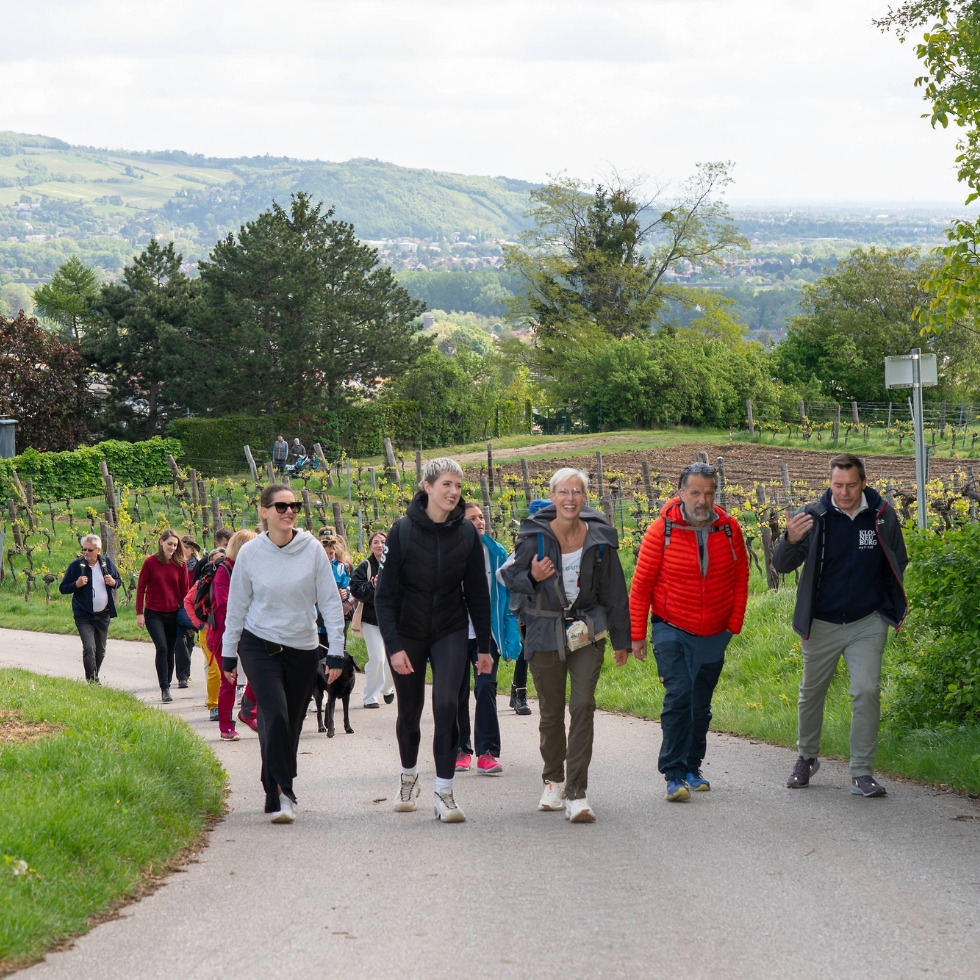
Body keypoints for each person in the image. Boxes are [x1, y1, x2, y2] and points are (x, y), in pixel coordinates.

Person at [772, 453, 908, 798]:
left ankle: (862, 773)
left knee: (865, 691)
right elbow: (782, 566)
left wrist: (886, 605)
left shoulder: (882, 515)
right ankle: (806, 757)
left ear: (863, 482)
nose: (844, 492)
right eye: (837, 485)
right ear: (829, 483)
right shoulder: (813, 516)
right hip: (821, 622)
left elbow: (897, 558)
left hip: (867, 622)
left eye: (850, 485)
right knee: (811, 693)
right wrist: (788, 539)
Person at [502, 468, 631, 823]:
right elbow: (505, 575)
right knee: (551, 711)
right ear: (553, 496)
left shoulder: (600, 537)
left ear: (584, 497)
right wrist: (532, 576)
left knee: (583, 705)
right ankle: (553, 780)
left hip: (588, 629)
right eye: (563, 492)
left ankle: (576, 792)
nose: (570, 498)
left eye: (576, 491)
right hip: (544, 629)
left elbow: (615, 591)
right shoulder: (534, 536)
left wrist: (623, 639)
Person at [374, 458, 492, 824]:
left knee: (446, 706)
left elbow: (477, 593)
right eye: (446, 484)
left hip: (450, 628)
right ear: (427, 487)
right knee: (409, 712)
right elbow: (384, 596)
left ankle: (445, 792)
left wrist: (485, 647)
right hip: (408, 631)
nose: (454, 492)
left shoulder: (467, 534)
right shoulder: (402, 531)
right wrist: (393, 647)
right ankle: (409, 777)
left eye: (458, 485)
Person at [221, 484, 346, 823]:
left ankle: (272, 782)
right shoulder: (250, 553)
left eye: (294, 506)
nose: (289, 511)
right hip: (258, 643)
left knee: (290, 722)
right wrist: (228, 652)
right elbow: (237, 605)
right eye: (280, 506)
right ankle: (282, 792)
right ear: (264, 512)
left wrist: (336, 651)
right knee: (274, 713)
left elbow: (331, 602)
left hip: (303, 647)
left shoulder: (312, 550)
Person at [629, 463, 749, 802]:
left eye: (709, 493)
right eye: (695, 492)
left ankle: (693, 768)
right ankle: (674, 773)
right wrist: (637, 635)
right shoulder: (660, 531)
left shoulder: (729, 529)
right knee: (679, 695)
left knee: (700, 703)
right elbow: (641, 587)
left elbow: (741, 577)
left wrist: (733, 623)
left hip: (715, 631)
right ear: (681, 493)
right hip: (671, 626)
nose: (702, 500)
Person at [456, 501, 522, 775]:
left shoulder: (496, 554)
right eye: (473, 518)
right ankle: (461, 749)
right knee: (457, 693)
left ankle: (487, 752)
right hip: (455, 635)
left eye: (482, 517)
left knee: (485, 688)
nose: (480, 522)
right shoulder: (450, 553)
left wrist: (510, 638)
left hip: (488, 636)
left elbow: (506, 602)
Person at [207, 529, 257, 741]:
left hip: (250, 632)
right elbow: (225, 606)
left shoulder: (252, 569)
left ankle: (247, 710)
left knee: (260, 674)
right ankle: (226, 726)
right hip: (224, 635)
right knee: (229, 680)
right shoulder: (224, 571)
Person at [136, 530, 190, 703]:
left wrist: (189, 615)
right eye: (169, 544)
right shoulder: (150, 562)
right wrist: (139, 613)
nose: (172, 548)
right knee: (162, 648)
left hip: (173, 613)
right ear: (161, 542)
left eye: (175, 545)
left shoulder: (181, 565)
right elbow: (141, 588)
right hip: (154, 613)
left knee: (170, 650)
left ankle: (167, 681)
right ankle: (164, 687)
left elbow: (185, 592)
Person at [59, 534, 120, 683]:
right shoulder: (76, 566)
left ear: (98, 550)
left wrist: (113, 582)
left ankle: (94, 675)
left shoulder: (106, 563)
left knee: (101, 650)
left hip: (103, 614)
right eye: (84, 549)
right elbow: (63, 588)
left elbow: (118, 581)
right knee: (89, 647)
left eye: (90, 550)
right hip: (83, 615)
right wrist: (76, 585)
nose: (86, 552)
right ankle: (92, 680)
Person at [350, 531, 396, 708]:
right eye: (376, 542)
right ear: (370, 546)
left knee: (394, 657)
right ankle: (370, 696)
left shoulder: (395, 564)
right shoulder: (365, 567)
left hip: (393, 620)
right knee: (377, 657)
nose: (379, 545)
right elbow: (356, 591)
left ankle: (388, 688)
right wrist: (371, 585)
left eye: (383, 542)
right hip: (371, 620)